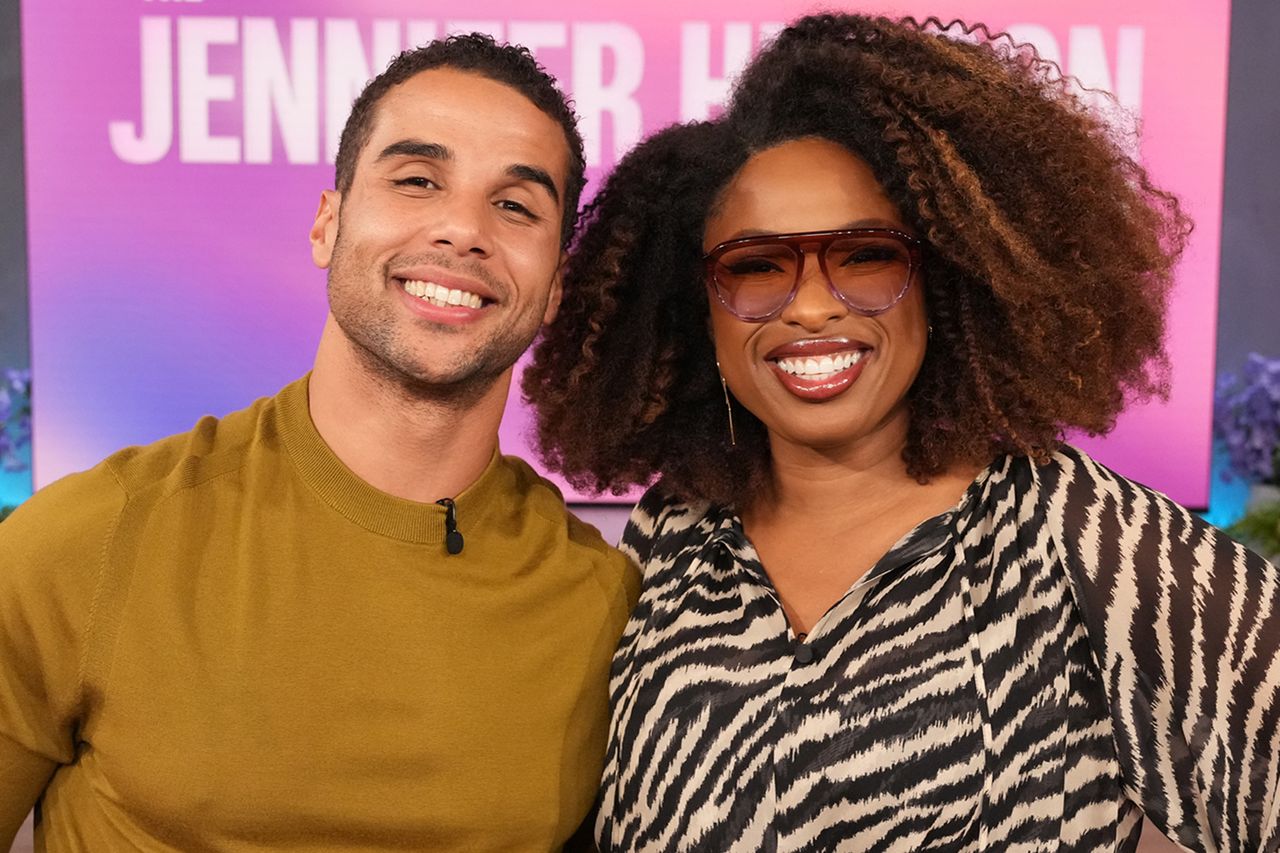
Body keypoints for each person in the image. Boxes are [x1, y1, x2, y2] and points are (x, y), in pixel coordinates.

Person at [523, 14, 1280, 852]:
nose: (811, 305)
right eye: (756, 265)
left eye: (865, 256)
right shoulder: (676, 535)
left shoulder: (1081, 535)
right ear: (698, 309)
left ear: (946, 277)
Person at [0, 34, 637, 851]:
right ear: (327, 225)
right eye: (416, 180)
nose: (461, 228)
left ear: (555, 287)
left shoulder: (602, 602)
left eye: (515, 205)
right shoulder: (90, 538)